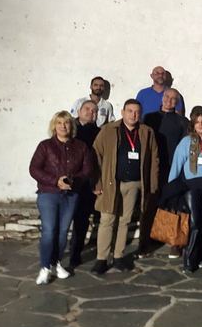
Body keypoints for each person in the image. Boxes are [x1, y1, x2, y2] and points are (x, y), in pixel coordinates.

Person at [91, 99, 160, 275]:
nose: (133, 115)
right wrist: (97, 182)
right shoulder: (108, 130)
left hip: (134, 184)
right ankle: (101, 259)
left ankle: (118, 257)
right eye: (129, 111)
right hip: (111, 183)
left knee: (125, 221)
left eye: (137, 112)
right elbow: (95, 155)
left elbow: (154, 159)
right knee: (107, 220)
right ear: (122, 112)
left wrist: (152, 185)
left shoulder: (146, 132)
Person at [29, 111, 93, 284]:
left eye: (66, 123)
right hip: (48, 193)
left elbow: (87, 170)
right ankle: (45, 267)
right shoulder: (45, 146)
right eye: (59, 123)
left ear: (71, 126)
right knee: (49, 230)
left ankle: (55, 263)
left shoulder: (81, 146)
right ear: (54, 126)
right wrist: (55, 181)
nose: (63, 126)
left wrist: (73, 181)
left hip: (70, 195)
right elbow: (34, 169)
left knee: (63, 231)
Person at [168, 106, 202, 272]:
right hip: (192, 188)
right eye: (197, 122)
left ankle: (200, 256)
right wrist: (171, 187)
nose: (201, 125)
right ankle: (189, 259)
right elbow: (177, 163)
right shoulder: (187, 142)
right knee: (195, 224)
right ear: (193, 125)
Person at [143, 88, 189, 258]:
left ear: (177, 102)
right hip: (153, 167)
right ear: (162, 98)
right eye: (167, 97)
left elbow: (185, 146)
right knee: (151, 202)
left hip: (173, 168)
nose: (170, 100)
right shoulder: (149, 118)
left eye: (173, 98)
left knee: (172, 204)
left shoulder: (182, 121)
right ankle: (149, 239)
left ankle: (173, 240)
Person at [68, 100, 101, 268]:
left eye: (94, 111)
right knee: (64, 219)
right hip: (68, 181)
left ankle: (76, 253)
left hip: (87, 183)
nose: (90, 112)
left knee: (82, 220)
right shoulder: (69, 129)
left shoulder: (99, 133)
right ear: (79, 111)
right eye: (87, 109)